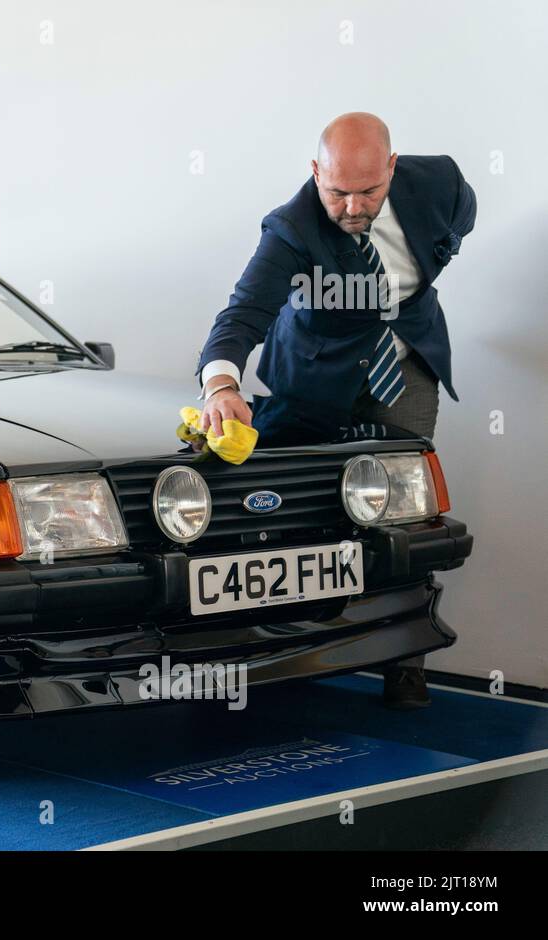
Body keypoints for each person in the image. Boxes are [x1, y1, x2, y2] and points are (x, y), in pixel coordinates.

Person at [194, 112, 477, 709]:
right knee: (291, 509)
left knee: (401, 515)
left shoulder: (443, 185)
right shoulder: (291, 229)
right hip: (311, 375)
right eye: (337, 191)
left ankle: (405, 662)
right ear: (315, 172)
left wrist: (416, 283)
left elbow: (453, 230)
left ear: (392, 170)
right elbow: (242, 315)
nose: (352, 206)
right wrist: (221, 385)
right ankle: (278, 656)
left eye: (368, 192)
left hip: (403, 365)